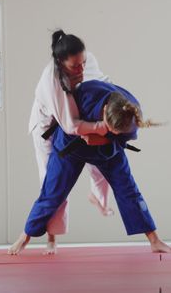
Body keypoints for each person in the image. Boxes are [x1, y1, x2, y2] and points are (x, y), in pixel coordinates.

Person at [9, 80, 171, 254]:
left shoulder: (131, 114)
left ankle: (154, 240)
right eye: (110, 129)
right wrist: (89, 132)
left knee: (128, 190)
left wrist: (105, 139)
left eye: (116, 132)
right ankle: (25, 234)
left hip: (108, 150)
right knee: (53, 191)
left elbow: (122, 140)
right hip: (71, 144)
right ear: (104, 111)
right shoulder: (84, 95)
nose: (113, 132)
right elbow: (66, 123)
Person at [26, 30, 113, 254]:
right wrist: (100, 127)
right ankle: (51, 240)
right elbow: (70, 125)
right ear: (61, 63)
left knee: (103, 156)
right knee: (52, 182)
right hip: (49, 129)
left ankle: (98, 197)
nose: (81, 69)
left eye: (82, 63)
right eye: (75, 67)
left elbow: (102, 83)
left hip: (77, 121)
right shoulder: (51, 81)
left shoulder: (86, 60)